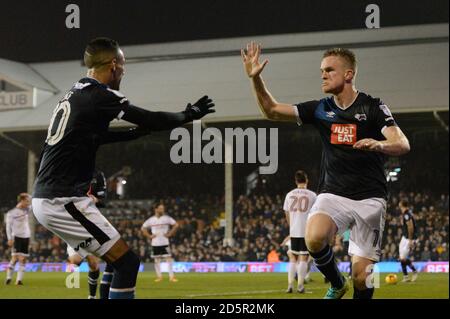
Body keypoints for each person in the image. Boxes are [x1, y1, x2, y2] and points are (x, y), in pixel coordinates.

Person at [31, 37, 215, 299]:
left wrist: (134, 134)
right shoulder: (99, 95)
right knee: (128, 263)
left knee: (118, 262)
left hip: (56, 196)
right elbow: (148, 117)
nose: (124, 71)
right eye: (124, 64)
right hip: (61, 199)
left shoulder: (75, 93)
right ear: (114, 65)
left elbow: (95, 137)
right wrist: (188, 115)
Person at [241, 42, 410, 299]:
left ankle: (354, 284)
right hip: (333, 194)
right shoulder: (321, 109)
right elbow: (272, 111)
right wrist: (256, 79)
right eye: (322, 70)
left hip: (370, 199)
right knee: (314, 238)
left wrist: (379, 144)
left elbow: (402, 143)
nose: (323, 74)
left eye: (330, 70)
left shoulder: (373, 107)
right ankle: (336, 282)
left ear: (348, 75)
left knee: (363, 277)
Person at [283, 170, 317, 293]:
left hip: (294, 231)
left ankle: (290, 286)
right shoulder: (312, 195)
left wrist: (292, 226)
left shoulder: (289, 194)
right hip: (306, 230)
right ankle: (300, 286)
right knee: (303, 258)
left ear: (296, 181)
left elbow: (287, 213)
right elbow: (316, 214)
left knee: (292, 258)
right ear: (306, 180)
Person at [141, 203, 180, 282]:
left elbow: (176, 225)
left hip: (165, 242)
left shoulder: (167, 218)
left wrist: (170, 233)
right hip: (155, 243)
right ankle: (159, 276)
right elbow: (143, 228)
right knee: (157, 260)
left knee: (168, 259)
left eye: (163, 208)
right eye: (161, 208)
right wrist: (149, 236)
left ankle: (171, 277)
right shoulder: (151, 220)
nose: (162, 210)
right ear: (156, 209)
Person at [4, 193, 32, 285]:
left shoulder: (27, 209)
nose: (28, 203)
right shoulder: (11, 213)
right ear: (22, 201)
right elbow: (8, 227)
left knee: (23, 259)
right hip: (16, 237)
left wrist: (27, 195)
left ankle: (19, 280)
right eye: (27, 201)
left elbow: (34, 202)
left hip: (26, 237)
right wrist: (9, 238)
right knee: (15, 258)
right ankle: (8, 278)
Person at [398, 199, 418, 282]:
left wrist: (410, 240)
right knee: (401, 258)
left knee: (403, 258)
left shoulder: (407, 214)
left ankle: (414, 271)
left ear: (402, 204)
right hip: (404, 237)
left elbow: (410, 227)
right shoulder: (405, 213)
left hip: (409, 238)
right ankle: (406, 277)